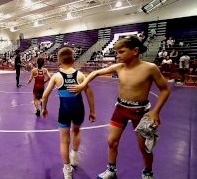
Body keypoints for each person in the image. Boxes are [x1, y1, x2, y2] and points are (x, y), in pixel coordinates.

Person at [67, 35, 171, 179]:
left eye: (121, 51)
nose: (117, 55)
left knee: (144, 148)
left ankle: (148, 173)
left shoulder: (150, 68)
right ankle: (111, 170)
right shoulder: (119, 67)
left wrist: (156, 111)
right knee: (112, 142)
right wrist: (83, 84)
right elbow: (95, 72)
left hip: (140, 112)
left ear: (135, 51)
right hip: (121, 109)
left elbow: (165, 90)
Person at [42, 47, 96, 179]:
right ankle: (75, 156)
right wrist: (92, 111)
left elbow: (45, 95)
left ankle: (67, 170)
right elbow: (89, 93)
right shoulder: (80, 75)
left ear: (59, 61)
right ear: (73, 60)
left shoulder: (56, 76)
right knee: (76, 131)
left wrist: (44, 108)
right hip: (78, 108)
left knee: (64, 141)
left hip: (64, 110)